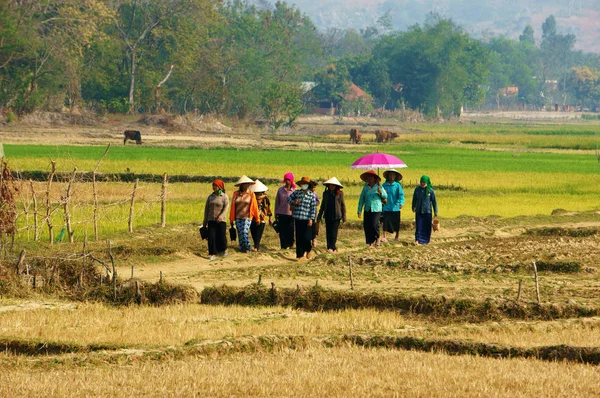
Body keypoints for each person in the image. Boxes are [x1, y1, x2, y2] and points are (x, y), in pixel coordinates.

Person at [287, 176, 317, 260]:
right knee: (299, 237)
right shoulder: (297, 193)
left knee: (306, 237)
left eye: (305, 184)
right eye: (302, 184)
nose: (304, 185)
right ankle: (299, 255)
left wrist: (311, 218)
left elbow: (312, 208)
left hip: (307, 218)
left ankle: (308, 249)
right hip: (298, 217)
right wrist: (293, 202)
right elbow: (288, 199)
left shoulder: (311, 195)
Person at [357, 170, 388, 248]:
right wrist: (359, 210)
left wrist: (380, 192)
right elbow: (362, 199)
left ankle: (377, 237)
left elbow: (385, 196)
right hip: (368, 209)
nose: (370, 179)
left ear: (375, 178)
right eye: (369, 177)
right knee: (367, 226)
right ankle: (370, 243)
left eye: (372, 177)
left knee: (374, 224)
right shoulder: (365, 188)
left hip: (376, 209)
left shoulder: (379, 187)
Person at [229, 175, 260, 253]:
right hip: (238, 217)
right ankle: (242, 248)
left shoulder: (251, 194)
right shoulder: (235, 194)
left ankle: (248, 248)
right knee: (240, 233)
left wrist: (257, 218)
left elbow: (255, 206)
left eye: (247, 184)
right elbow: (233, 206)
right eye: (244, 184)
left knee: (244, 232)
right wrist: (231, 219)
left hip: (247, 216)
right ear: (241, 185)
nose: (246, 185)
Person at [317, 177, 346, 253]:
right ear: (328, 186)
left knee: (334, 232)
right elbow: (323, 205)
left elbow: (343, 205)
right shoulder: (326, 194)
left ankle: (332, 247)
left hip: (337, 216)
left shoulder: (340, 194)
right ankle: (329, 246)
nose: (332, 187)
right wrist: (319, 216)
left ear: (336, 186)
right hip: (328, 215)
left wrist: (344, 217)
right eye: (330, 185)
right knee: (328, 232)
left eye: (333, 185)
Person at [202, 179, 229, 260]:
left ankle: (224, 249)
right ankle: (212, 253)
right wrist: (205, 221)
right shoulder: (210, 197)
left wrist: (221, 216)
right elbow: (206, 209)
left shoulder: (224, 196)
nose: (214, 187)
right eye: (213, 185)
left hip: (221, 220)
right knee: (211, 237)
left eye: (215, 185)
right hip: (211, 219)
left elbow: (226, 208)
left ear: (220, 187)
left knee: (222, 236)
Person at [412, 175, 439, 245]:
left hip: (427, 211)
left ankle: (426, 241)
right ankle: (417, 240)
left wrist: (436, 211)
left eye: (424, 182)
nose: (422, 183)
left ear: (426, 182)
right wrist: (413, 207)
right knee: (419, 226)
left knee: (427, 226)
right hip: (419, 211)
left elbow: (434, 202)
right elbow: (414, 199)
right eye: (421, 182)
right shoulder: (417, 189)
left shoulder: (430, 191)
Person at [381, 169, 405, 242]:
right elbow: (381, 195)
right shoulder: (384, 185)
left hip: (395, 207)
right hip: (386, 207)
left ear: (395, 176)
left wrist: (401, 203)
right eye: (390, 175)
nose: (392, 176)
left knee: (396, 222)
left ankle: (397, 236)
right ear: (388, 176)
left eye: (393, 175)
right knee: (385, 222)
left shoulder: (397, 185)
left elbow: (401, 195)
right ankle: (384, 236)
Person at [249, 179, 272, 252]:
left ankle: (256, 246)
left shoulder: (265, 198)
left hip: (262, 217)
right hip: (252, 217)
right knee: (253, 232)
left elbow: (268, 208)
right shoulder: (251, 197)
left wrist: (270, 217)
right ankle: (256, 246)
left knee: (258, 232)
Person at [274, 172, 296, 249]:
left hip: (291, 214)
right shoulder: (280, 190)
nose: (287, 181)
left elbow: (296, 202)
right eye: (286, 180)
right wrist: (276, 213)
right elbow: (277, 202)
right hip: (281, 213)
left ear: (292, 180)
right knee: (282, 231)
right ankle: (283, 246)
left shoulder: (294, 191)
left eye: (289, 180)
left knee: (290, 230)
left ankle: (290, 244)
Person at [309, 180, 320, 247]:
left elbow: (318, 202)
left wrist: (314, 203)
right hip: (307, 213)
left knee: (313, 227)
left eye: (314, 188)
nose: (313, 189)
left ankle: (313, 240)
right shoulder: (307, 194)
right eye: (312, 187)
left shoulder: (315, 194)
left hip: (314, 213)